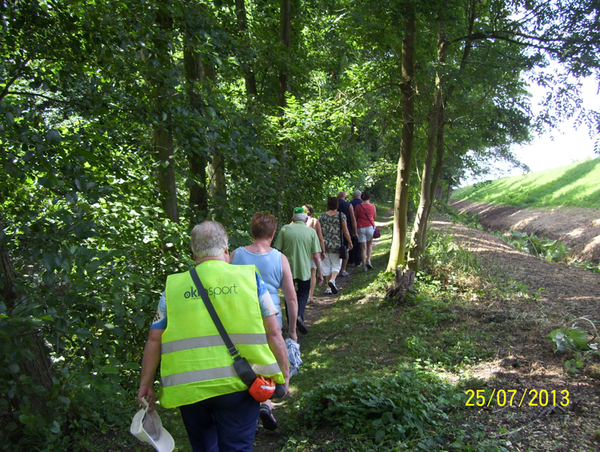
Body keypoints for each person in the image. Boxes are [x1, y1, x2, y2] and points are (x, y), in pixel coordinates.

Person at [138, 221, 290, 452]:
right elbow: (274, 332)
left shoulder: (173, 287)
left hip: (189, 388)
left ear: (194, 254)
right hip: (240, 385)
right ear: (226, 250)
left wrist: (146, 383)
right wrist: (284, 374)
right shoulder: (250, 278)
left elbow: (154, 339)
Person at [230, 212, 298, 431]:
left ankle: (249, 407)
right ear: (273, 233)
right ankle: (265, 404)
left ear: (252, 231)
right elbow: (291, 297)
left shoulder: (236, 255)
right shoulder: (280, 258)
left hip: (240, 318)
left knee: (244, 361)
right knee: (267, 361)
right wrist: (293, 330)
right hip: (271, 318)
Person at [273, 207, 324, 335]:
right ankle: (299, 316)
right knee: (303, 294)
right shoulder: (311, 232)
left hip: (287, 270)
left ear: (292, 219)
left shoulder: (285, 229)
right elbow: (317, 255)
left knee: (289, 296)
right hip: (304, 270)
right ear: (306, 219)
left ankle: (291, 323)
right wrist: (320, 273)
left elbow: (277, 251)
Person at [318, 197, 353, 294]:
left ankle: (328, 288)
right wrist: (350, 242)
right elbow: (345, 231)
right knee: (336, 265)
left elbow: (318, 231)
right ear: (337, 205)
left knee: (326, 266)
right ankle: (332, 280)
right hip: (337, 244)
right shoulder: (341, 216)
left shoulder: (322, 216)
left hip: (324, 245)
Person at [303, 204, 326, 304]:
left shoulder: (294, 222)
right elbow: (320, 237)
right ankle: (310, 295)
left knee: (303, 273)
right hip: (313, 251)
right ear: (311, 213)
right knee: (313, 273)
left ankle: (302, 294)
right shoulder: (314, 221)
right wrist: (323, 250)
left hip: (301, 252)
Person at [337, 192, 358, 276]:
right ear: (345, 197)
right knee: (346, 249)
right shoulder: (349, 205)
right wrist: (354, 232)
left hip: (335, 230)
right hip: (347, 229)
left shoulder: (334, 204)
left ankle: (336, 269)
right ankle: (343, 269)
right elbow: (353, 220)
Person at [355, 191, 377, 271]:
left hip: (361, 227)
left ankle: (364, 265)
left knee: (363, 247)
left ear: (361, 198)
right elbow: (374, 216)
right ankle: (369, 260)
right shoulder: (372, 206)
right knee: (369, 244)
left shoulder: (358, 207)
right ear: (369, 198)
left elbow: (355, 216)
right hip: (370, 227)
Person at [349, 190, 363, 267]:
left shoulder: (350, 204)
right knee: (359, 244)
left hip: (350, 226)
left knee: (351, 243)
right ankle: (358, 260)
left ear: (354, 196)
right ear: (360, 196)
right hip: (361, 225)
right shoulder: (363, 204)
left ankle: (351, 260)